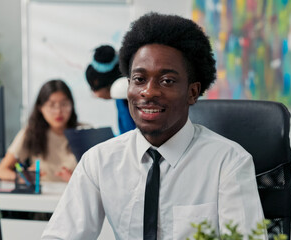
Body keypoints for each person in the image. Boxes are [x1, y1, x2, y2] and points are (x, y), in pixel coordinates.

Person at [42, 13, 266, 240]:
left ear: (192, 92)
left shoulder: (228, 163)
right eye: (139, 79)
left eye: (167, 80)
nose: (148, 92)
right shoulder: (99, 162)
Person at [0, 79, 78, 182]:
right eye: (51, 105)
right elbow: (1, 171)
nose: (58, 111)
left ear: (72, 105)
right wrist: (24, 178)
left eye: (64, 104)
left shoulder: (84, 131)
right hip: (43, 196)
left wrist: (77, 180)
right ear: (40, 108)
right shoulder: (31, 132)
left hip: (76, 195)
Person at [85, 45, 136, 134]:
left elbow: (131, 133)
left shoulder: (124, 97)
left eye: (94, 89)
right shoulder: (120, 99)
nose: (95, 95)